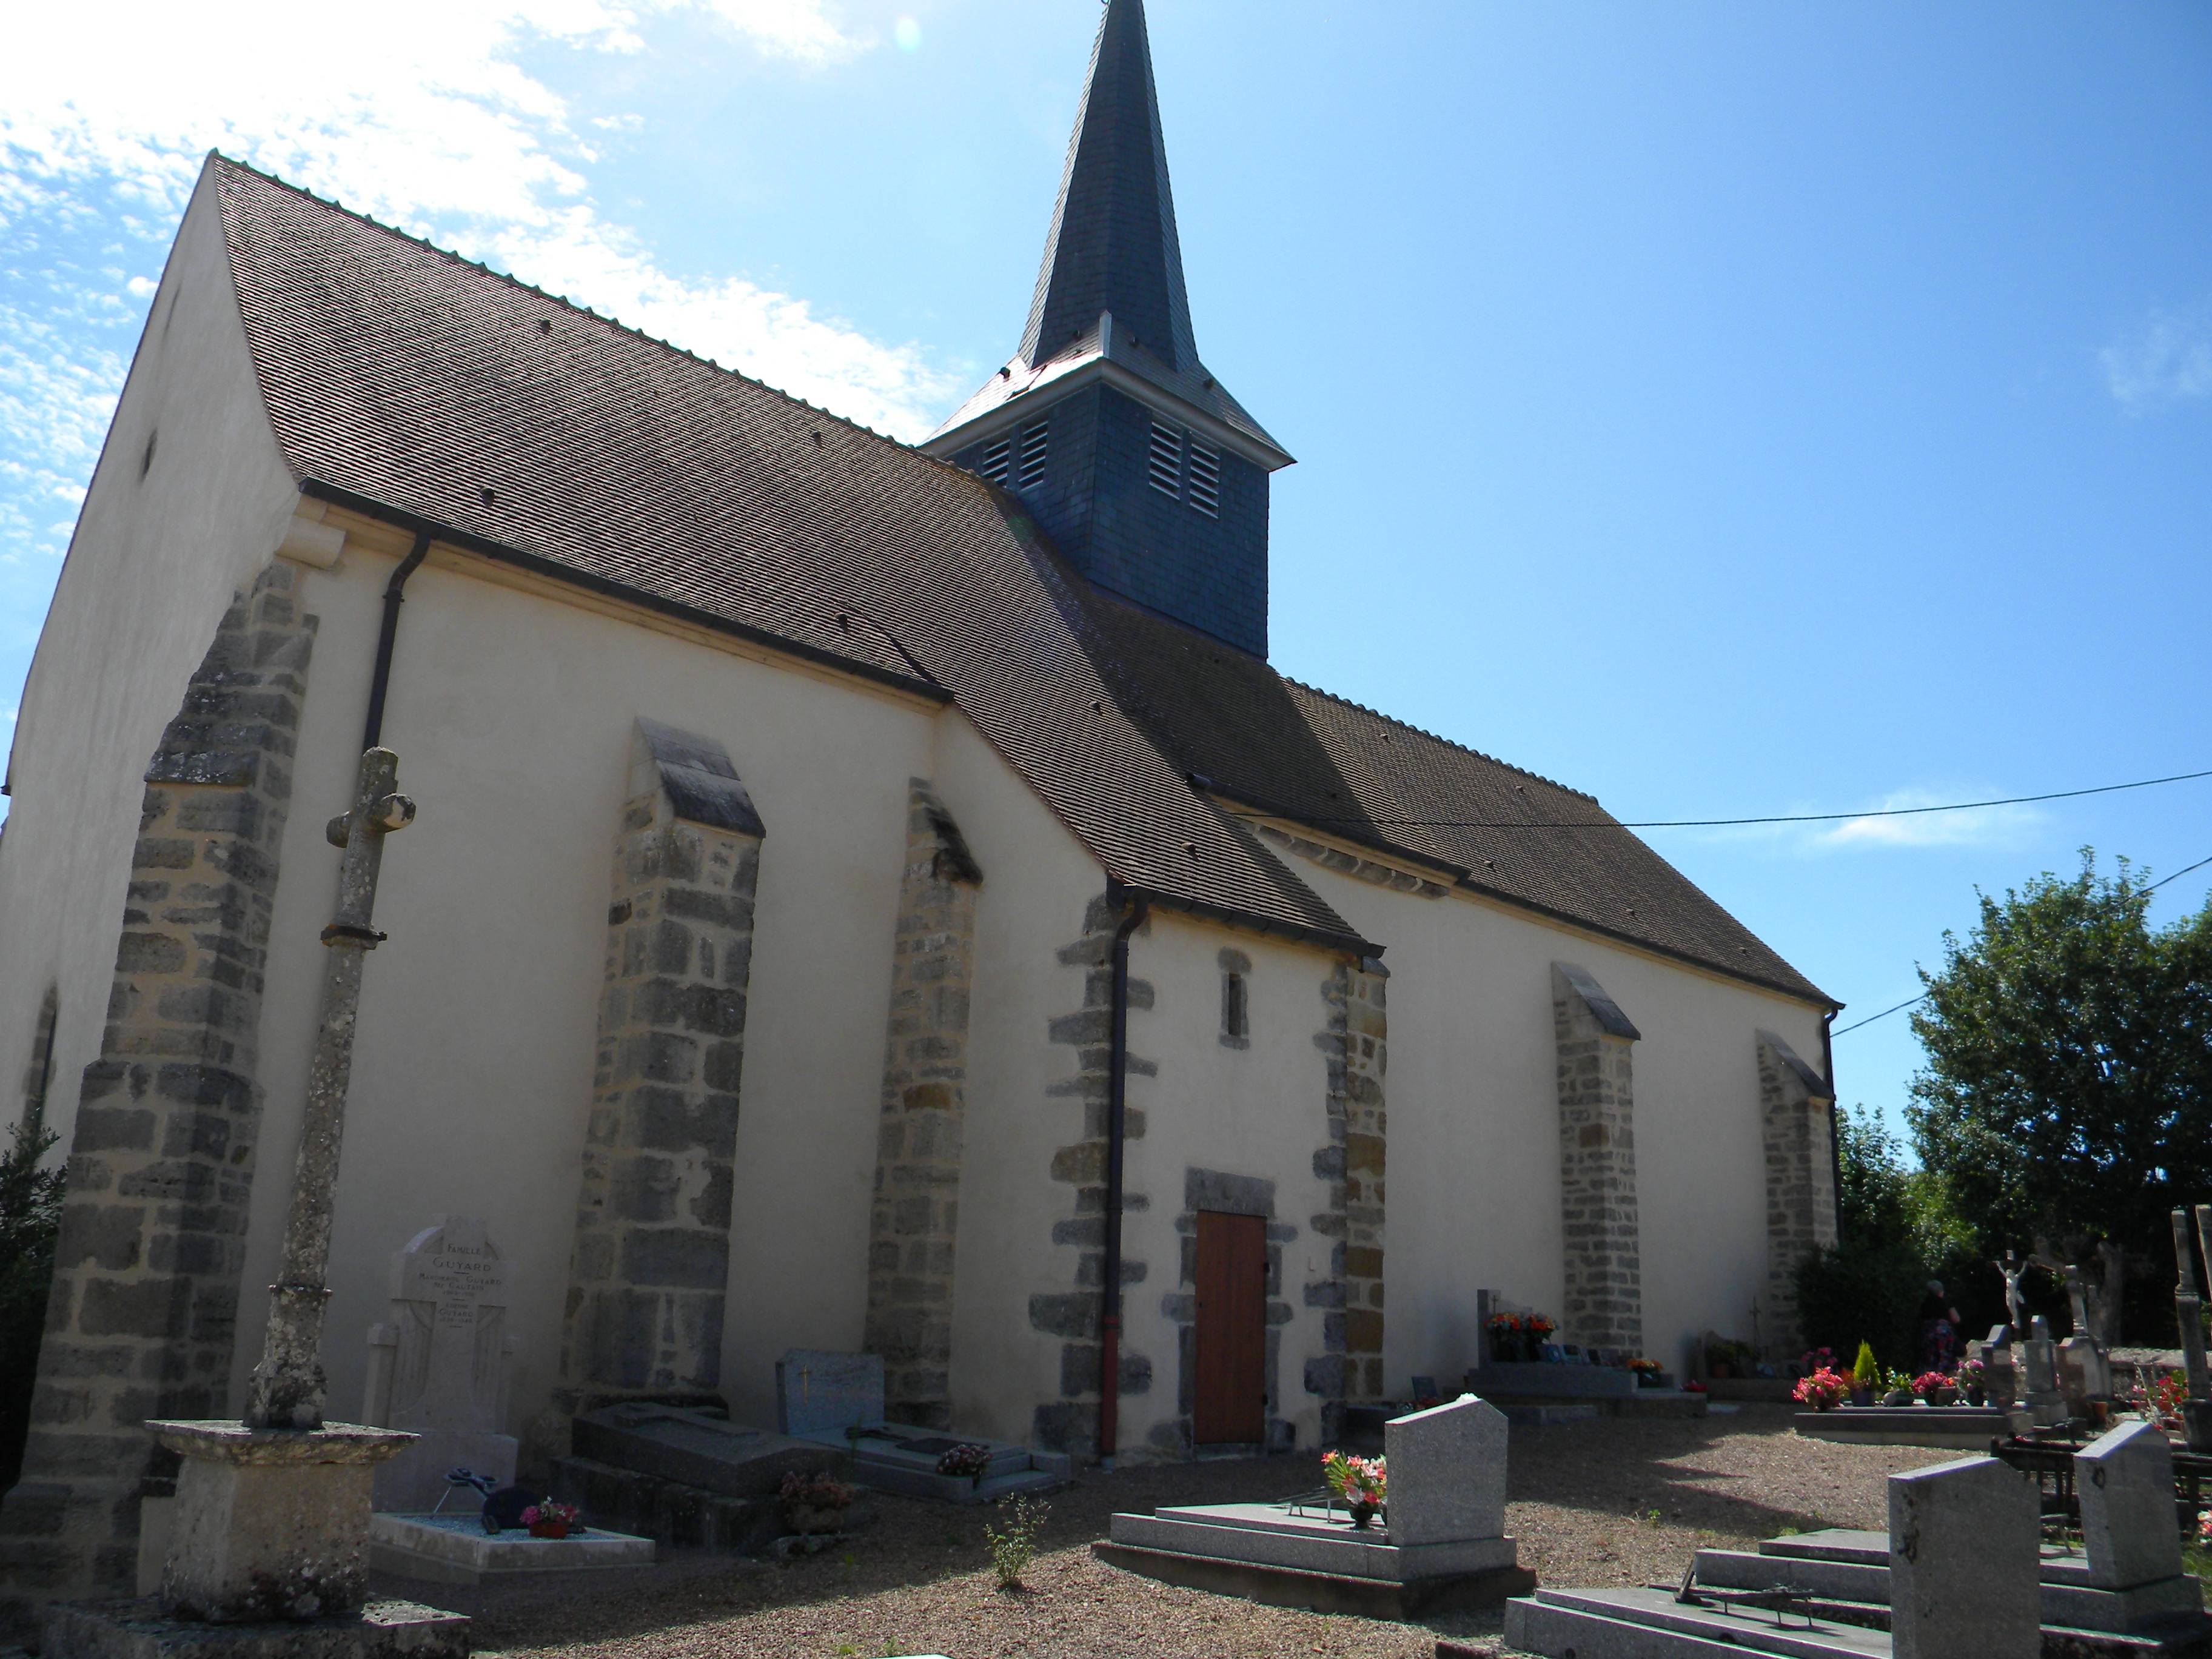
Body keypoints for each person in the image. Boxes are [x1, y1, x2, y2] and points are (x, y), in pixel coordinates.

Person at [1919, 1279, 1961, 1373]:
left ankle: (1930, 1380)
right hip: (1943, 1335)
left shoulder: (1924, 1304)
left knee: (1930, 1360)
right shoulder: (1945, 1302)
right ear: (1941, 1291)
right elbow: (1956, 1319)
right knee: (1945, 1360)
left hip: (1928, 1334)